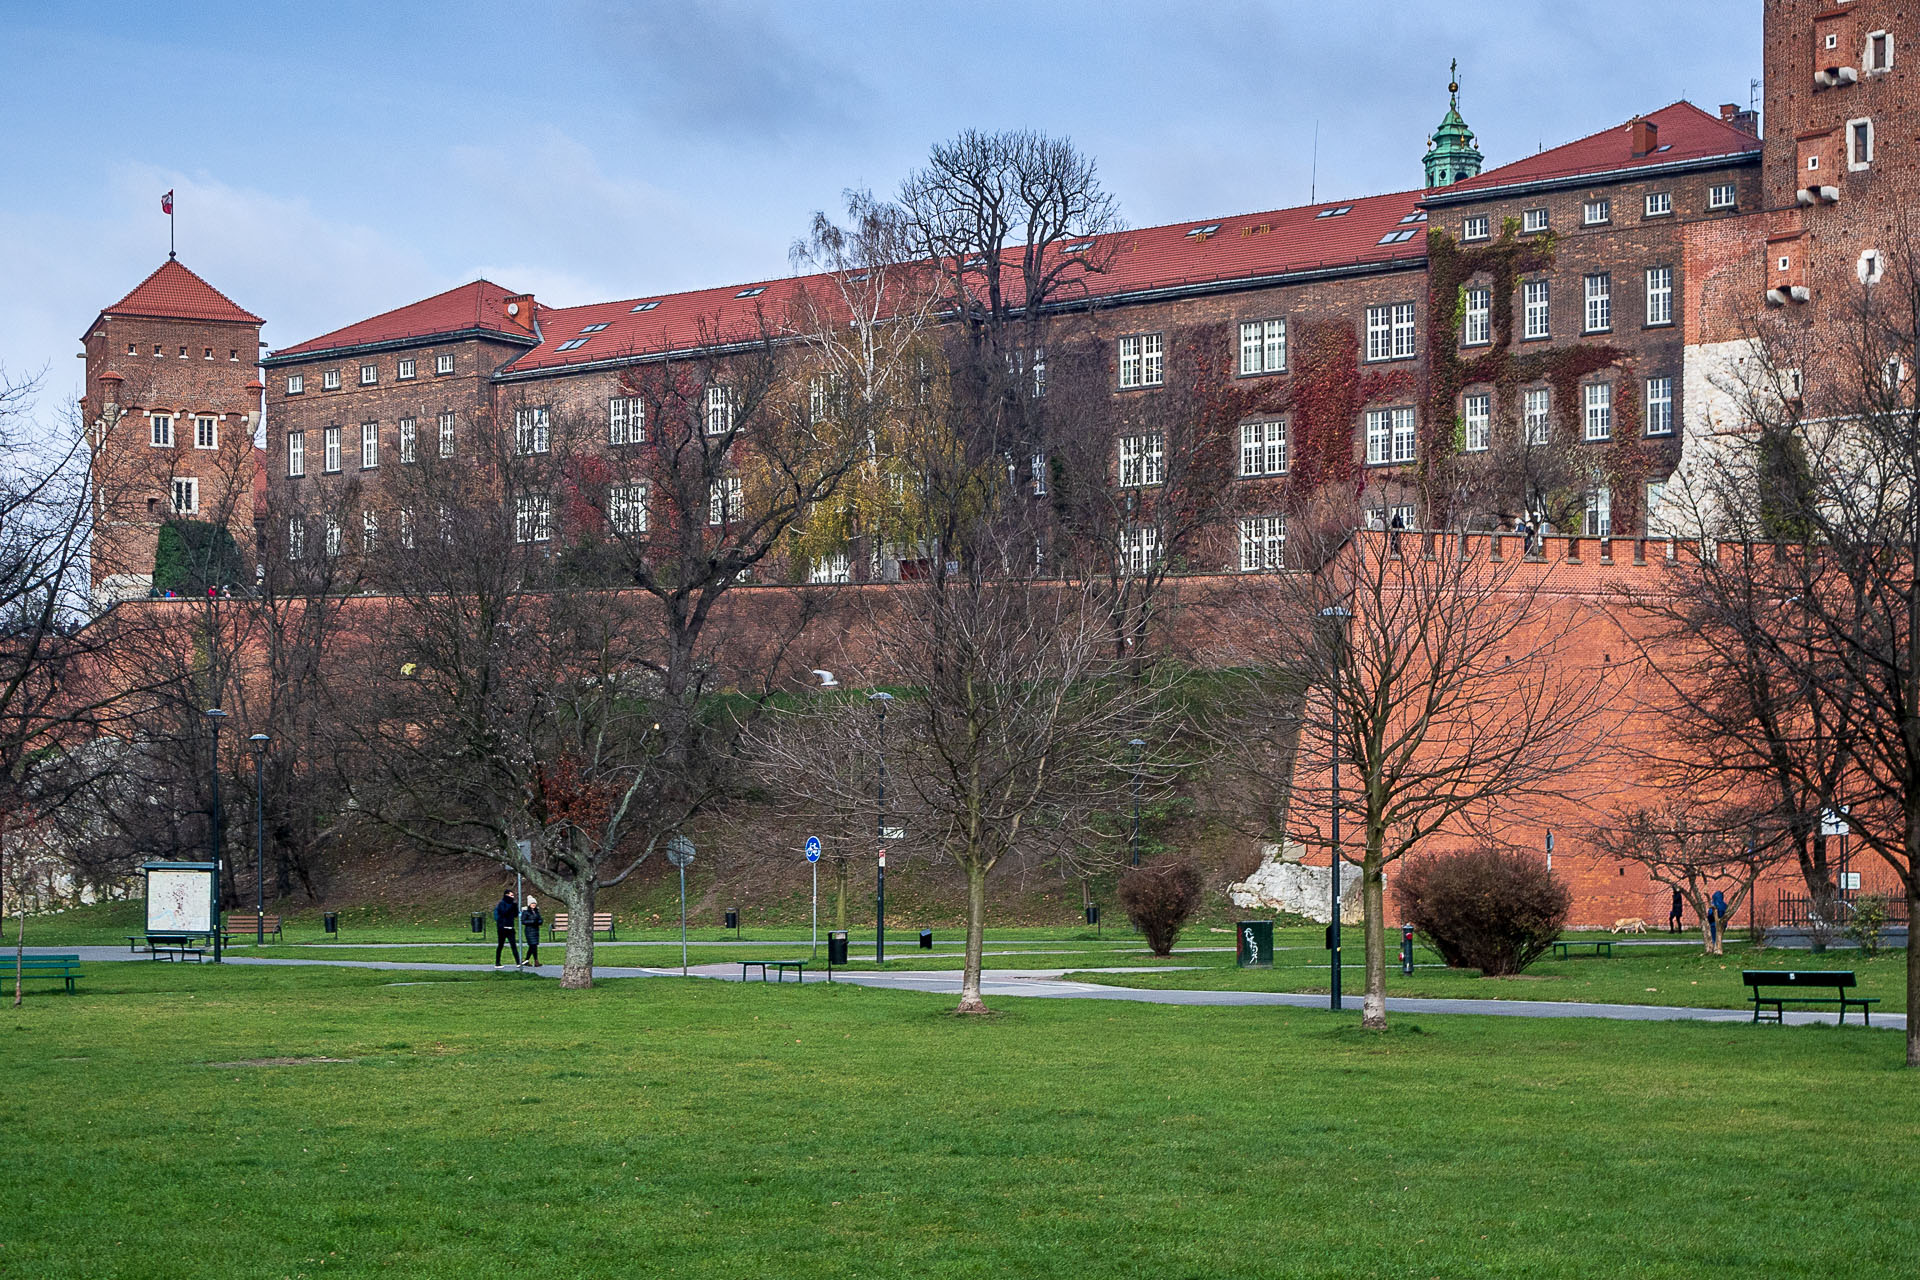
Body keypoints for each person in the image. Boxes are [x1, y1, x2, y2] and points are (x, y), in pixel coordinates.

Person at [492, 889, 521, 968]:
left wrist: (515, 908)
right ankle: (497, 963)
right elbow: (503, 913)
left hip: (510, 927)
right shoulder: (502, 904)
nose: (513, 897)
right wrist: (511, 907)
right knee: (501, 945)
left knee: (513, 945)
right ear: (506, 895)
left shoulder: (512, 904)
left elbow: (515, 915)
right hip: (502, 928)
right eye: (511, 895)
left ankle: (518, 962)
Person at [520, 895, 543, 968]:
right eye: (532, 904)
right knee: (533, 945)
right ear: (529, 904)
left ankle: (526, 960)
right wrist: (532, 921)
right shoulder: (526, 912)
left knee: (533, 946)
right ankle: (536, 960)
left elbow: (540, 919)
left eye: (534, 904)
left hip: (535, 930)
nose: (533, 905)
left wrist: (539, 922)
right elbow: (523, 921)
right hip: (529, 930)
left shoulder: (536, 911)